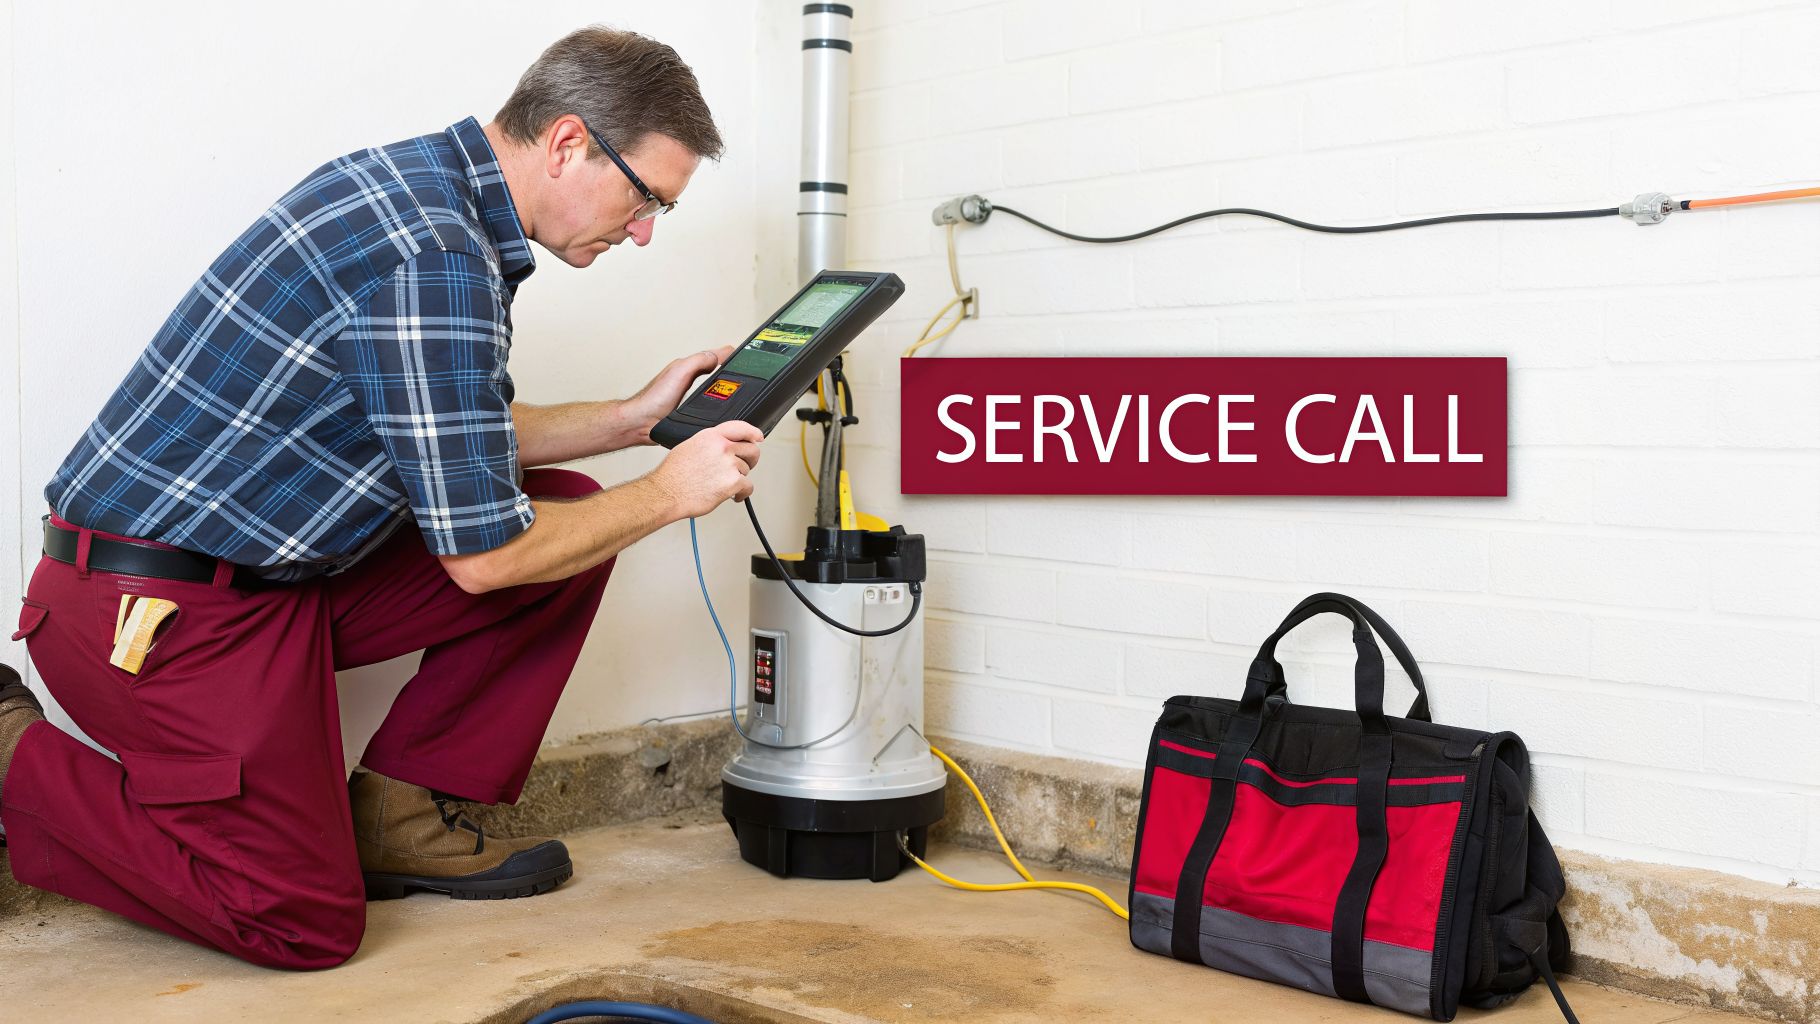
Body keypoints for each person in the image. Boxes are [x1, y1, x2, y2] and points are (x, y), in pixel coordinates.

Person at [0, 25, 762, 969]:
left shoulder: (413, 188)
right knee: (301, 923)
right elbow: (486, 558)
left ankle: (395, 815)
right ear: (568, 143)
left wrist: (631, 421)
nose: (643, 230)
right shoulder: (435, 258)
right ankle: (11, 756)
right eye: (646, 197)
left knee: (565, 509)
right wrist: (667, 493)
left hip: (252, 580)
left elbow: (446, 433)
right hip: (157, 616)